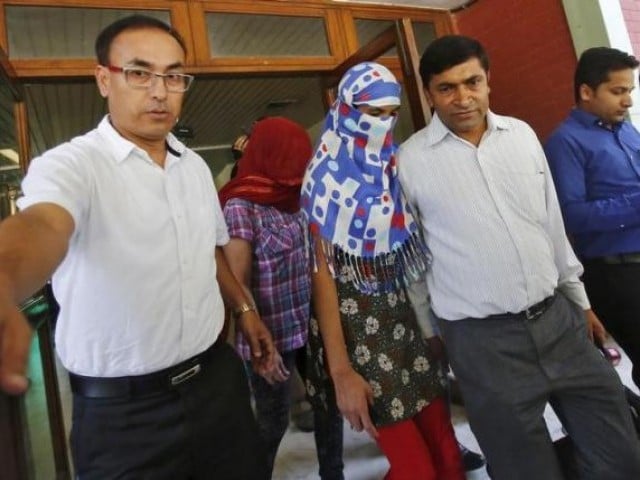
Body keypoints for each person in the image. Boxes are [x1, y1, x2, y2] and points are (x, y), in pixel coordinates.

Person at [0, 14, 275, 479]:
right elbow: (44, 223)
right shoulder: (72, 165)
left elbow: (209, 248)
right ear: (104, 79)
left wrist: (245, 310)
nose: (160, 90)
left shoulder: (193, 169)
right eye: (140, 72)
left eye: (173, 76)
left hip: (218, 386)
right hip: (123, 418)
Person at [398, 34, 640, 480]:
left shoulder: (523, 136)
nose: (463, 97)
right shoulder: (409, 162)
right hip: (480, 341)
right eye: (446, 88)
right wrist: (431, 330)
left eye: (472, 81)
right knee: (521, 468)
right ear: (429, 93)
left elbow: (551, 225)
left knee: (619, 453)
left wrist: (581, 301)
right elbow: (412, 260)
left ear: (488, 79)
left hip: (557, 321)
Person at [301, 61, 465, 480]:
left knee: (447, 455)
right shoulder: (324, 179)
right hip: (360, 343)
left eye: (390, 114)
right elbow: (323, 281)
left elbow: (409, 262)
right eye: (372, 114)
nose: (382, 124)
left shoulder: (391, 167)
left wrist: (430, 329)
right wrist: (341, 371)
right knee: (416, 469)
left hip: (406, 329)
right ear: (344, 109)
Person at [219, 116, 313, 475]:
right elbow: (237, 281)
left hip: (306, 326)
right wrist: (260, 346)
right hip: (268, 337)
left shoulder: (297, 199)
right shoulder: (241, 206)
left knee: (328, 405)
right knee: (271, 423)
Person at [545, 47, 640, 389]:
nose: (627, 101)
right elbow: (572, 216)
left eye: (630, 90)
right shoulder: (564, 142)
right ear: (587, 92)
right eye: (618, 91)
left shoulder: (627, 132)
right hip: (618, 274)